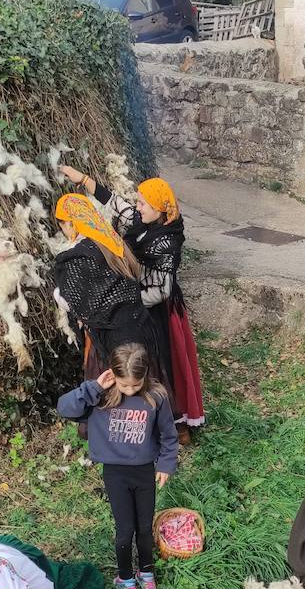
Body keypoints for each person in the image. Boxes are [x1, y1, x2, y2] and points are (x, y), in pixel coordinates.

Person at [59, 166, 206, 434]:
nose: (136, 206)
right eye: (138, 200)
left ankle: (164, 423)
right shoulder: (142, 222)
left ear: (159, 209)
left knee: (157, 362)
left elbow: (161, 289)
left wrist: (123, 304)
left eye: (142, 202)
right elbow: (117, 204)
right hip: (130, 303)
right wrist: (84, 180)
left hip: (154, 310)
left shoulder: (167, 243)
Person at [57, 342, 179, 589]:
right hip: (116, 474)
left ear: (145, 375)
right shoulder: (101, 396)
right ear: (112, 375)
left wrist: (165, 465)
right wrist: (94, 387)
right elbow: (65, 408)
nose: (130, 390)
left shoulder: (155, 396)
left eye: (136, 385)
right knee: (125, 530)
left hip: (145, 472)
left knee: (144, 528)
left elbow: (169, 436)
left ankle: (146, 572)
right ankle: (125, 578)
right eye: (125, 385)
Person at [52, 193, 158, 379]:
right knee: (139, 385)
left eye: (63, 226)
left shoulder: (78, 256)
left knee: (112, 391)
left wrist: (56, 293)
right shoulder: (112, 241)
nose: (64, 232)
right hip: (139, 329)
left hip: (110, 342)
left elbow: (71, 301)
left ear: (70, 223)